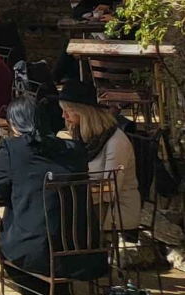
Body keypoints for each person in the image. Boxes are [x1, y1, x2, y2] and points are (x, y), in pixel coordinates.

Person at [0, 95, 103, 295]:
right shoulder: (74, 148)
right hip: (85, 246)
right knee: (46, 247)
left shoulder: (13, 148)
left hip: (36, 248)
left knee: (5, 250)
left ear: (14, 123)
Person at [58, 79, 141, 232]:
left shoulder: (116, 142)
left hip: (116, 209)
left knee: (59, 217)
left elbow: (109, 190)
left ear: (84, 112)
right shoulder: (79, 135)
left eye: (68, 111)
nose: (63, 116)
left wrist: (75, 189)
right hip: (89, 202)